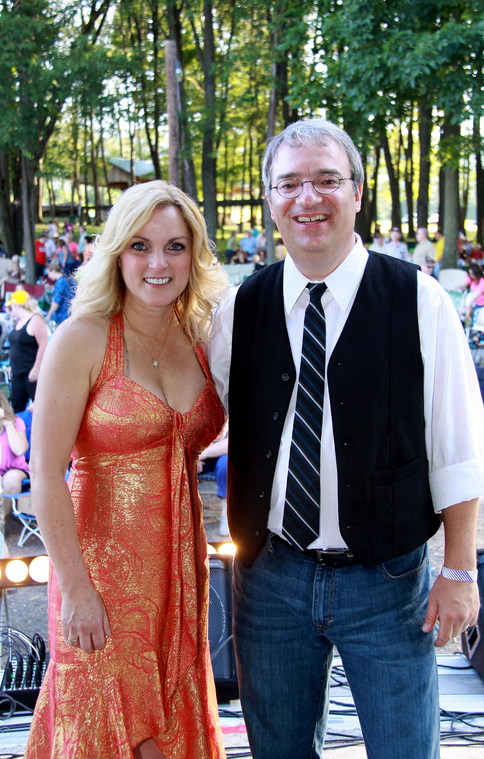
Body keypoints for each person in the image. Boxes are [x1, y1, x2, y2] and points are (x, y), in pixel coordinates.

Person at [209, 118, 484, 759]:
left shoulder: (419, 300)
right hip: (269, 577)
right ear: (270, 200)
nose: (307, 198)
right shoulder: (240, 308)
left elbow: (458, 447)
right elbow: (206, 416)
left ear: (358, 192)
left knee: (404, 749)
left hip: (387, 580)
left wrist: (459, 570)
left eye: (326, 180)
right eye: (289, 184)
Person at [25, 180, 228, 758]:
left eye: (175, 246)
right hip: (100, 574)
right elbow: (45, 472)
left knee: (172, 724)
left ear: (194, 255)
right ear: (116, 253)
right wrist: (76, 589)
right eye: (140, 246)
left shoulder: (202, 338)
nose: (158, 263)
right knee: (112, 731)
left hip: (180, 570)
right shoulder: (82, 339)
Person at [6, 290, 49, 413]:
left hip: (30, 371)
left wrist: (37, 368)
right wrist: (11, 365)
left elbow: (43, 345)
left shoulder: (35, 320)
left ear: (16, 305)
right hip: (17, 371)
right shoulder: (19, 321)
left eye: (11, 307)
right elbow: (15, 346)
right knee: (17, 405)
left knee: (37, 406)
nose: (11, 310)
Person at [198, 426, 229, 537]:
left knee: (226, 465)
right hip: (197, 455)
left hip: (221, 454)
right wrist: (192, 457)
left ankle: (226, 514)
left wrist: (202, 454)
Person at [0, 390, 29, 498]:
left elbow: (20, 450)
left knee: (12, 478)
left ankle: (6, 509)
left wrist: (7, 423)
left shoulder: (16, 422)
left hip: (15, 469)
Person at [44, 262, 74, 326]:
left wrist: (49, 315)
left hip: (62, 316)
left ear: (53, 271)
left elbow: (56, 302)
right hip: (70, 313)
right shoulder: (67, 278)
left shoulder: (60, 283)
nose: (48, 276)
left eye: (49, 273)